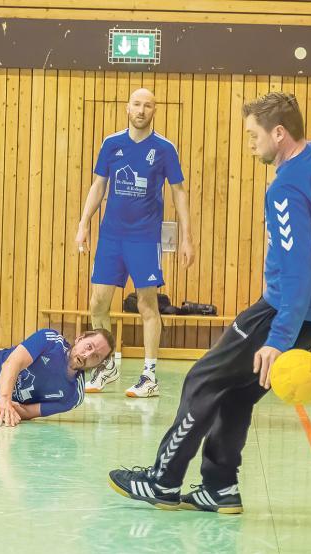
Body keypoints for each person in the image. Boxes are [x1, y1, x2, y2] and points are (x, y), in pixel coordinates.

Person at [107, 92, 311, 513]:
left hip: (288, 309)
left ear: (279, 133)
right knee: (238, 392)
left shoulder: (285, 191)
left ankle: (163, 481)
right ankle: (219, 486)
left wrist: (277, 339)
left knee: (202, 378)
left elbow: (296, 275)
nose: (250, 143)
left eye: (254, 135)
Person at [75, 87, 194, 398]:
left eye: (148, 106)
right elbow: (98, 185)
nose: (142, 110)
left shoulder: (165, 149)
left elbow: (179, 191)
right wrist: (83, 223)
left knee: (147, 304)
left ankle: (149, 374)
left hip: (144, 238)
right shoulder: (111, 144)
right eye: (137, 105)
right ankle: (106, 366)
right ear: (127, 108)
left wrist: (187, 238)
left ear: (155, 111)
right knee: (98, 302)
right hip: (111, 236)